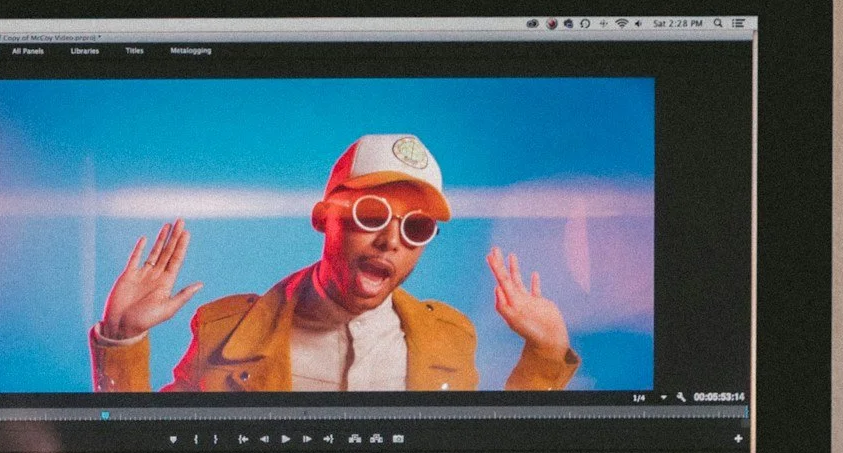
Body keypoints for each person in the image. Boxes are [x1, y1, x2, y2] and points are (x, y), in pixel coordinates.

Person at [89, 133, 579, 393]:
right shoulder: (223, 331)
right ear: (325, 217)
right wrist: (122, 337)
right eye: (372, 214)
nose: (391, 239)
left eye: (417, 227)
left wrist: (546, 355)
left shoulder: (452, 336)